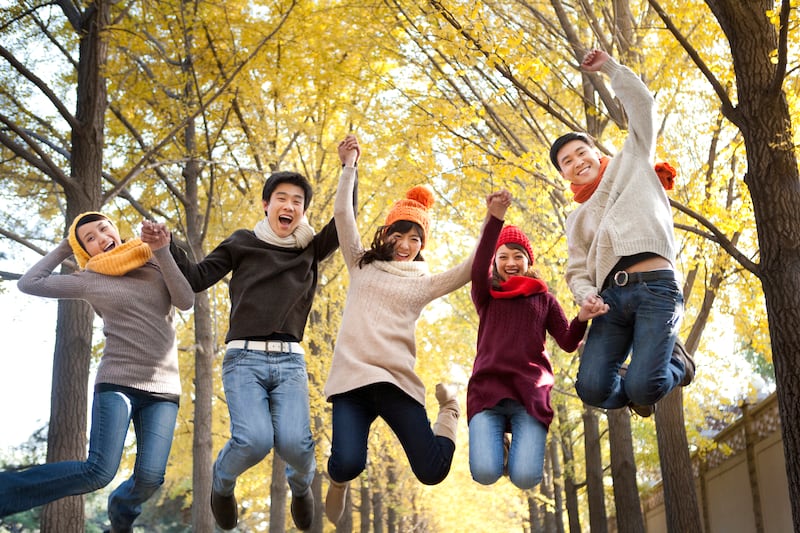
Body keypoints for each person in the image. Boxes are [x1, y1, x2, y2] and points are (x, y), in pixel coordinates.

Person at [165, 165, 357, 531]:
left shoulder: (311, 248)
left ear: (303, 211)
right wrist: (168, 245)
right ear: (267, 204)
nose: (289, 206)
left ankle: (300, 487)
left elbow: (346, 215)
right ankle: (222, 484)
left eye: (297, 201)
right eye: (281, 198)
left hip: (290, 362)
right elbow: (197, 278)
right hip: (243, 359)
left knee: (296, 447)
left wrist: (350, 167)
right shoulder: (242, 242)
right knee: (254, 441)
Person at [322, 134, 494, 525]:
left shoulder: (423, 284)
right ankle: (338, 480)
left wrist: (491, 220)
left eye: (415, 238)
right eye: (398, 235)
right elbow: (343, 215)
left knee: (432, 471)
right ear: (385, 234)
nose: (405, 244)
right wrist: (349, 166)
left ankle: (450, 408)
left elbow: (471, 267)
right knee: (347, 463)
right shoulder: (361, 264)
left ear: (422, 244)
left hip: (396, 383)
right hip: (352, 381)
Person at [0, 213, 194, 532]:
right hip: (117, 381)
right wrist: (66, 246)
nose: (101, 238)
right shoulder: (89, 278)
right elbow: (29, 283)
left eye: (104, 229)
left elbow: (185, 301)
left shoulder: (152, 259)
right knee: (99, 471)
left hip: (164, 389)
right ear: (85, 250)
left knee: (150, 477)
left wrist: (161, 250)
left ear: (116, 231)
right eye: (89, 238)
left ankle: (121, 510)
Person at [549, 49, 695, 418]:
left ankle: (677, 364)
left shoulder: (632, 160)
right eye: (567, 161)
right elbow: (577, 270)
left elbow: (643, 105)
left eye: (581, 152)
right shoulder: (575, 218)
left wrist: (610, 69)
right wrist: (586, 296)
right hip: (610, 300)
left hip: (656, 286)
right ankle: (635, 387)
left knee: (645, 387)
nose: (577, 162)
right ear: (563, 174)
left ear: (595, 151)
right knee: (592, 388)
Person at [467, 191, 607, 489]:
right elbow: (478, 266)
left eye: (518, 256)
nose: (511, 262)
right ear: (495, 262)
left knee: (526, 478)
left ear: (528, 261)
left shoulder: (544, 299)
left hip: (529, 395)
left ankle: (514, 449)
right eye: (503, 257)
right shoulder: (487, 295)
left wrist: (582, 317)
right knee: (485, 473)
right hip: (488, 392)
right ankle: (500, 445)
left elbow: (567, 341)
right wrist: (495, 218)